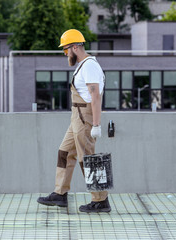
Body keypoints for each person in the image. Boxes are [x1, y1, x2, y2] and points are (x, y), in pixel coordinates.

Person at [37, 29, 111, 213]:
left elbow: (95, 97)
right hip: (76, 117)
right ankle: (60, 193)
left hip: (84, 117)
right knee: (64, 152)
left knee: (88, 159)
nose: (65, 53)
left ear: (76, 47)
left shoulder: (90, 66)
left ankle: (101, 200)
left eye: (66, 49)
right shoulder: (82, 65)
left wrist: (96, 124)